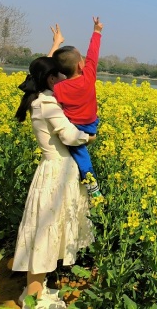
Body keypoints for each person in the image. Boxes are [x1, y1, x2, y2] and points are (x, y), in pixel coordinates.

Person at [13, 56, 95, 308]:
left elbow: (43, 67)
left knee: (47, 230)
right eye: (60, 74)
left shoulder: (37, 98)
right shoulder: (48, 103)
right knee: (45, 232)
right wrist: (89, 137)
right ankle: (33, 298)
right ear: (51, 78)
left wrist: (56, 44)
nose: (65, 78)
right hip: (58, 174)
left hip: (51, 170)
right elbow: (70, 136)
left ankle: (36, 290)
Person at [50, 17, 103, 198]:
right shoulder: (88, 77)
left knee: (80, 153)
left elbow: (48, 69)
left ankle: (93, 186)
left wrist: (55, 45)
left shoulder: (58, 87)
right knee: (80, 151)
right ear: (81, 65)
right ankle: (91, 187)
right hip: (91, 124)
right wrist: (97, 31)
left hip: (74, 127)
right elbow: (93, 54)